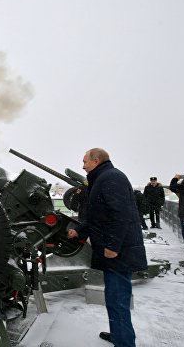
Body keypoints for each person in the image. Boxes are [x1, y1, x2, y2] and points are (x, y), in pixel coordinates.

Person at [67, 148, 147, 347]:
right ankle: (118, 334)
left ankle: (125, 342)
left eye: (85, 161)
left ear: (96, 160)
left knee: (118, 300)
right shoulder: (103, 178)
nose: (82, 165)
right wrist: (80, 230)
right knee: (113, 298)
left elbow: (121, 215)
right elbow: (98, 215)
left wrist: (112, 246)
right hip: (116, 251)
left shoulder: (111, 178)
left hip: (119, 253)